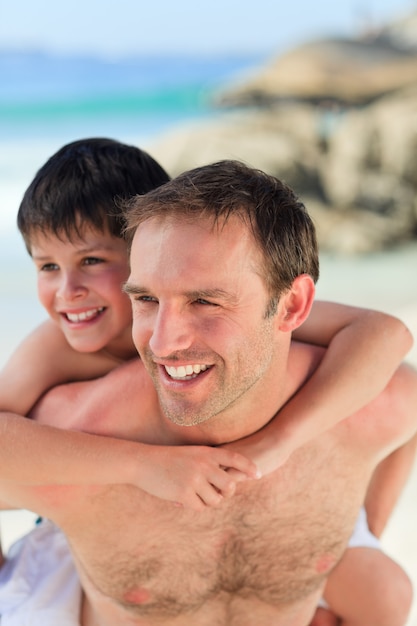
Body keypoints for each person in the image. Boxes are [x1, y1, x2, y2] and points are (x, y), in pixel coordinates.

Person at [0, 160, 416, 625]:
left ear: (292, 305)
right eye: (147, 299)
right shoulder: (67, 420)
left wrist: (358, 529)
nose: (161, 342)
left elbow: (389, 346)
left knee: (387, 594)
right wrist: (141, 465)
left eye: (204, 301)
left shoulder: (368, 402)